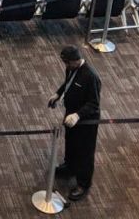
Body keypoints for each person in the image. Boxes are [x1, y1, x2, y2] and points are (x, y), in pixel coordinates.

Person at [48, 45, 101, 201]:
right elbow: (68, 83)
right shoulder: (71, 69)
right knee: (70, 142)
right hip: (71, 116)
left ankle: (83, 184)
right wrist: (58, 94)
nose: (66, 66)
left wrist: (78, 115)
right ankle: (70, 167)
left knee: (85, 152)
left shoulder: (91, 77)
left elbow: (94, 103)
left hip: (86, 121)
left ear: (76, 60)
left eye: (68, 63)